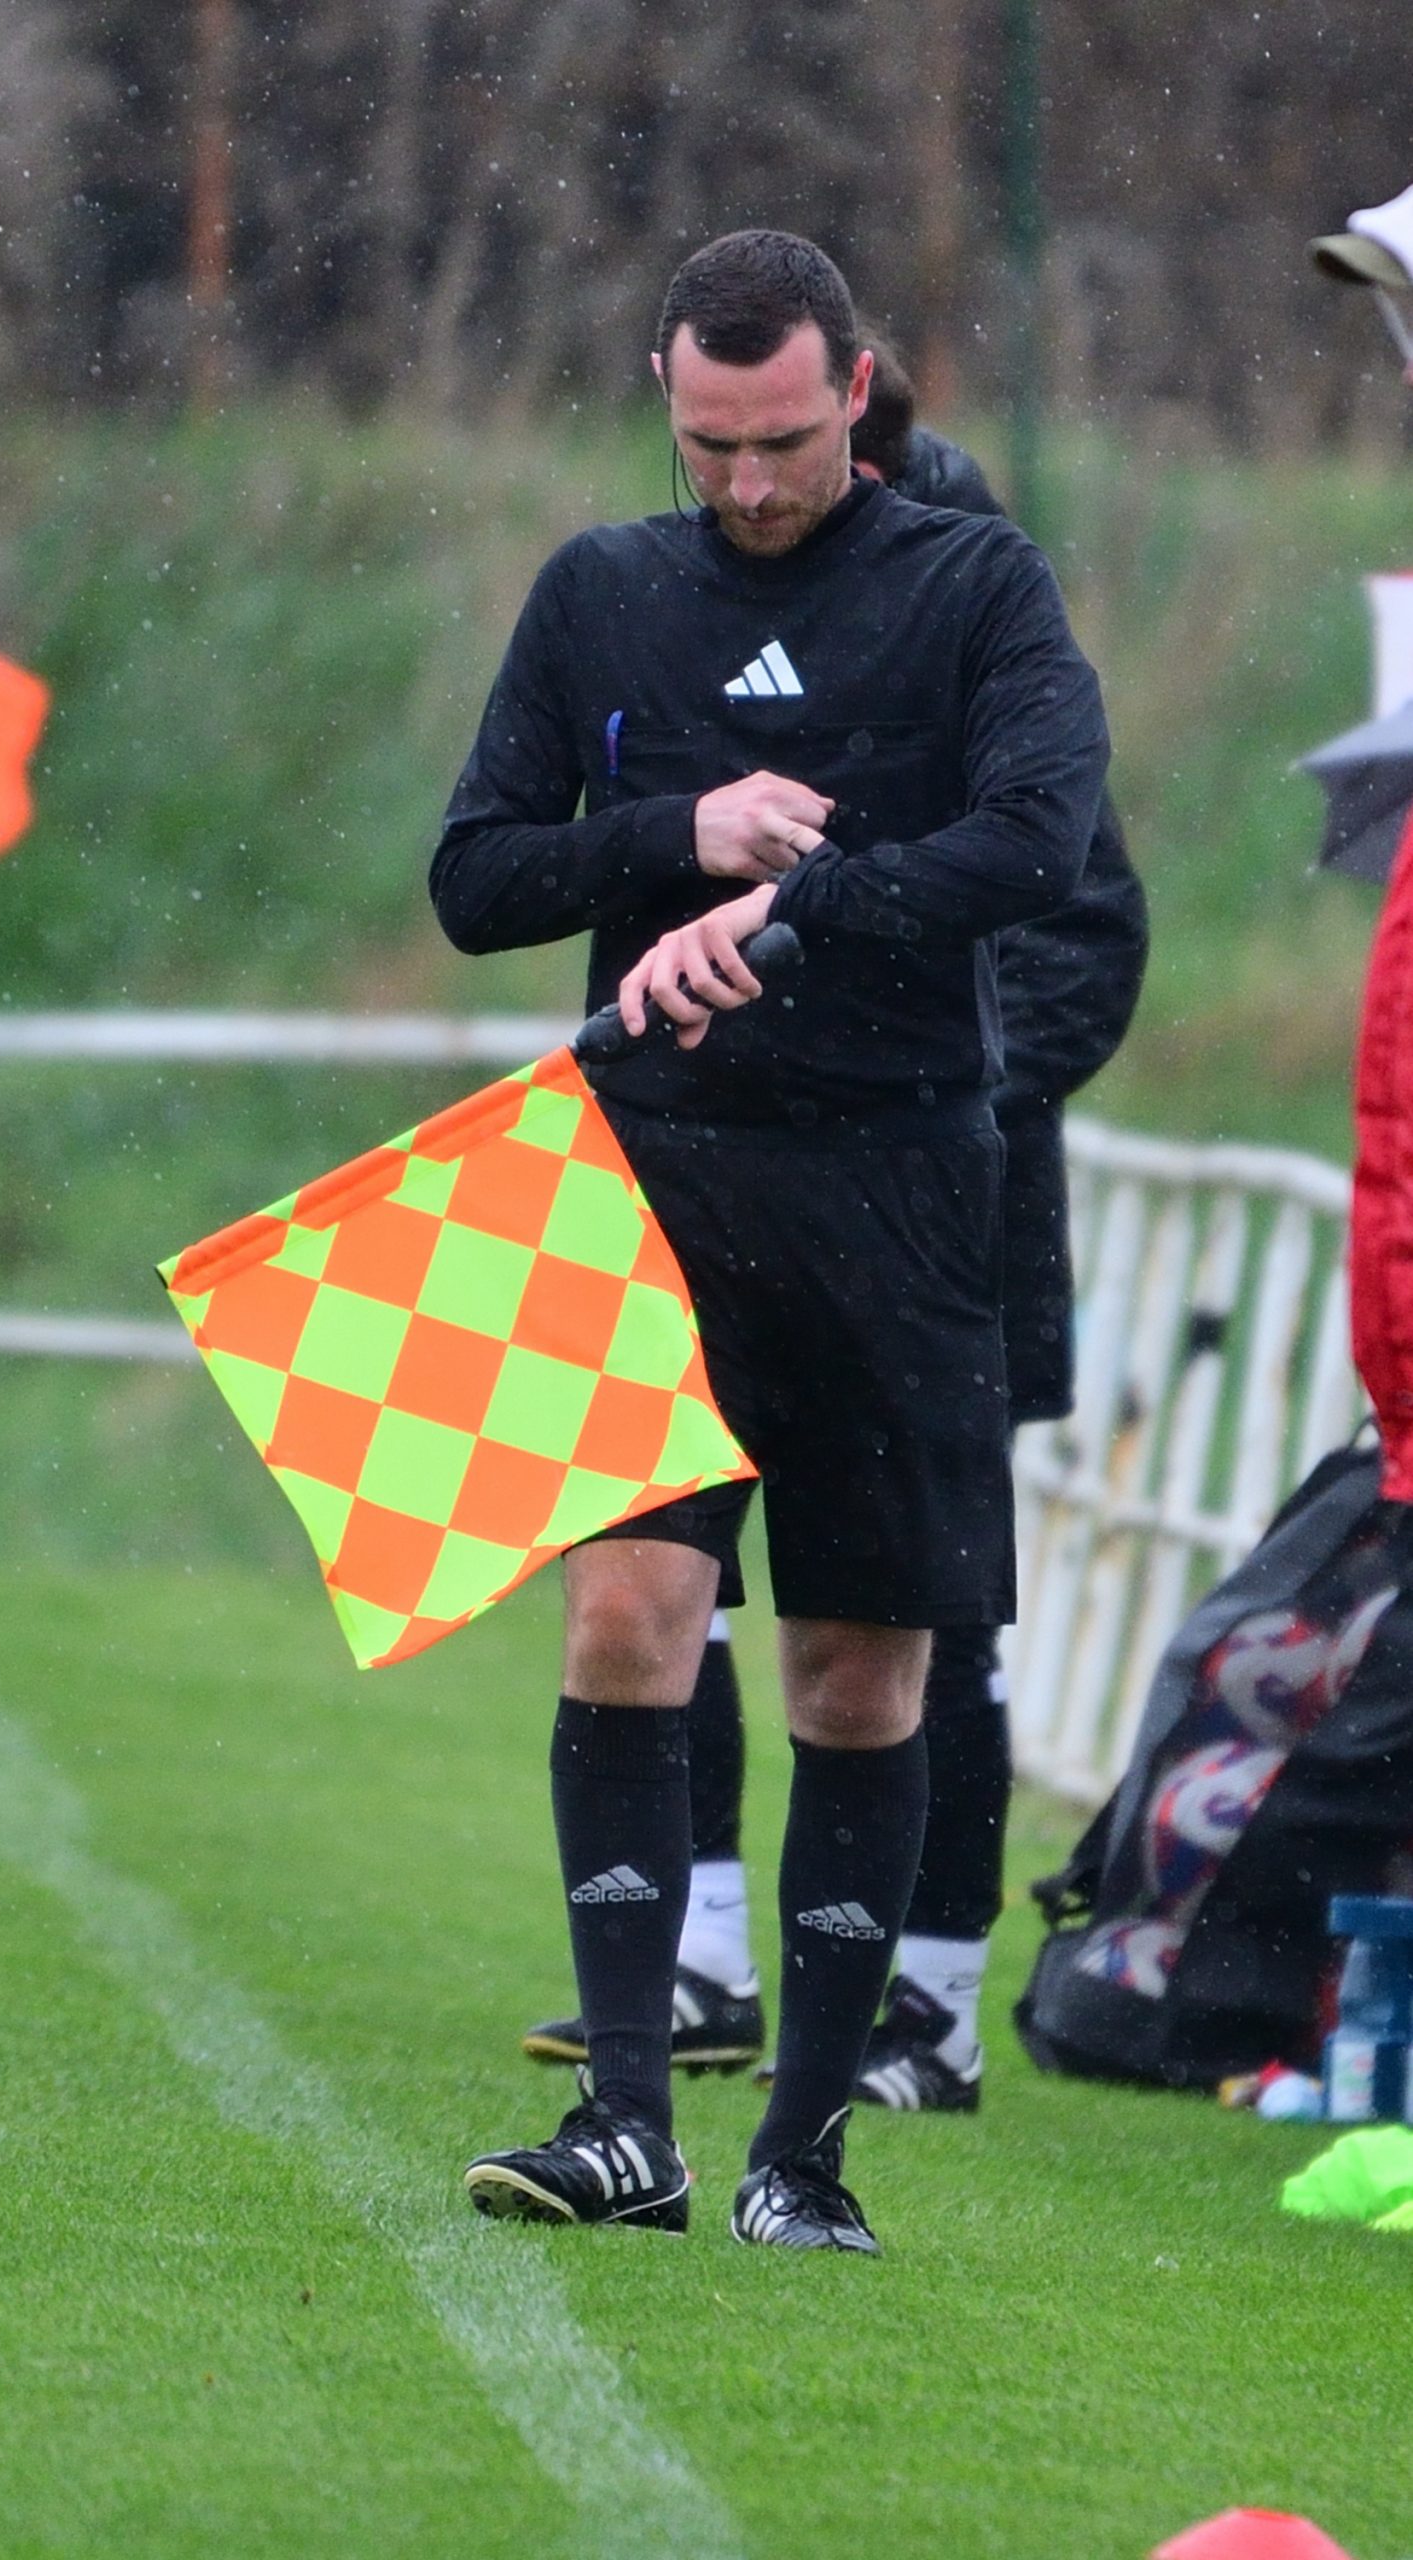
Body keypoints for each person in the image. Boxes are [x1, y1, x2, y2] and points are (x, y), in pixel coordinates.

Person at [430, 230, 1110, 2250]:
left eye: (785, 441)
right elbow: (475, 879)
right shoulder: (599, 591)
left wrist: (801, 904)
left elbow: (1040, 846)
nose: (746, 481)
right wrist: (678, 835)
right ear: (664, 390)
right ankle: (625, 2124)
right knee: (626, 1617)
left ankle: (801, 2157)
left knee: (857, 1671)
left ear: (856, 391)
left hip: (902, 1189)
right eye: (709, 442)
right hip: (651, 1174)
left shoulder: (974, 586)